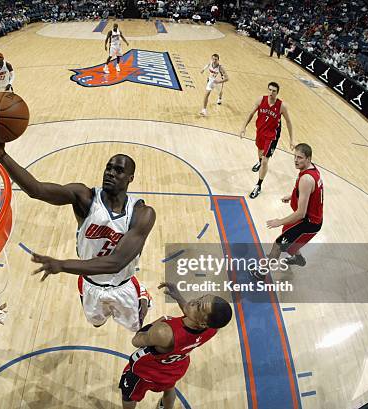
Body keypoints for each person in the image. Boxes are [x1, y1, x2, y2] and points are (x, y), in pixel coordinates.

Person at [0, 122, 153, 332]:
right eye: (108, 167)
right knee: (96, 323)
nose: (110, 173)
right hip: (90, 283)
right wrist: (1, 155)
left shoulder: (142, 213)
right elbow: (37, 190)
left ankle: (142, 294)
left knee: (136, 326)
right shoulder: (84, 197)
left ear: (130, 178)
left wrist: (62, 265)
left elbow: (115, 263)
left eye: (119, 170)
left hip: (122, 285)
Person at [119, 282, 232, 409]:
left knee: (128, 395)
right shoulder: (212, 329)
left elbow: (136, 341)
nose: (194, 301)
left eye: (199, 307)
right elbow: (193, 320)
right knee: (169, 389)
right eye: (201, 298)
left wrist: (157, 323)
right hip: (174, 369)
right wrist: (178, 297)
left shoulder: (164, 332)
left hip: (146, 372)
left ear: (203, 323)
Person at [250, 143, 323, 280]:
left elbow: (301, 213)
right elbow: (309, 194)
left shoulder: (306, 179)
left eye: (300, 157)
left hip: (308, 223)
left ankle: (261, 273)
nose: (296, 160)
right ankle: (299, 258)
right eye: (294, 156)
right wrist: (292, 197)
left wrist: (279, 221)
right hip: (308, 218)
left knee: (278, 245)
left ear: (308, 159)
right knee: (288, 238)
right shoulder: (312, 170)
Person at [239, 81, 294, 199]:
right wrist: (243, 127)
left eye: (274, 91)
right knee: (259, 151)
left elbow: (289, 122)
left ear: (277, 93)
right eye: (269, 90)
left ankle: (258, 185)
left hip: (272, 136)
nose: (271, 92)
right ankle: (259, 162)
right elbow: (251, 113)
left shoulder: (281, 106)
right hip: (260, 131)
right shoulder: (260, 100)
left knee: (265, 161)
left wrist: (291, 140)